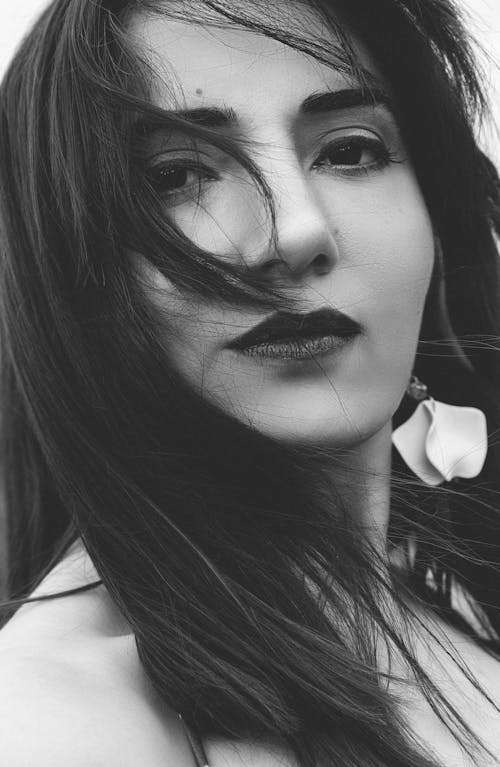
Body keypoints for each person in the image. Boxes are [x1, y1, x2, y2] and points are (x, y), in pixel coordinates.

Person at [0, 0, 500, 764]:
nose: (296, 230)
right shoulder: (62, 723)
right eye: (176, 174)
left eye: (352, 151)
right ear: (71, 276)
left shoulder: (456, 596)